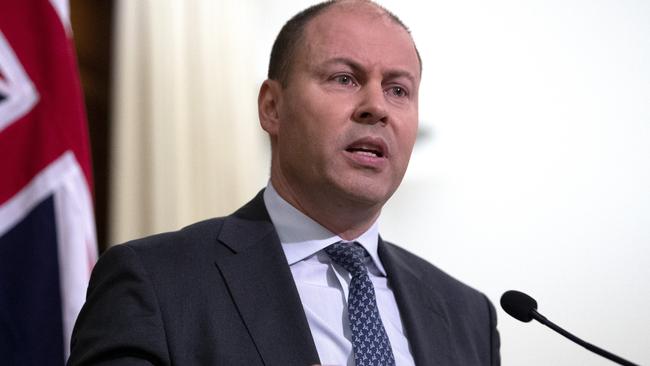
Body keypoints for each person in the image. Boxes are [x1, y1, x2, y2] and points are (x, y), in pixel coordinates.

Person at [68, 1, 500, 365]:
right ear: (272, 107)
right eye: (344, 79)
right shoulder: (156, 282)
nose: (376, 107)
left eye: (398, 90)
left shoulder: (466, 314)